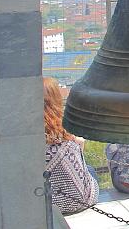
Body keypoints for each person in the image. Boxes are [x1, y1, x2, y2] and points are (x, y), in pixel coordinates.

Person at [43, 77, 99, 215]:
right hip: (84, 200)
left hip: (50, 205)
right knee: (90, 170)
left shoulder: (29, 136)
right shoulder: (66, 129)